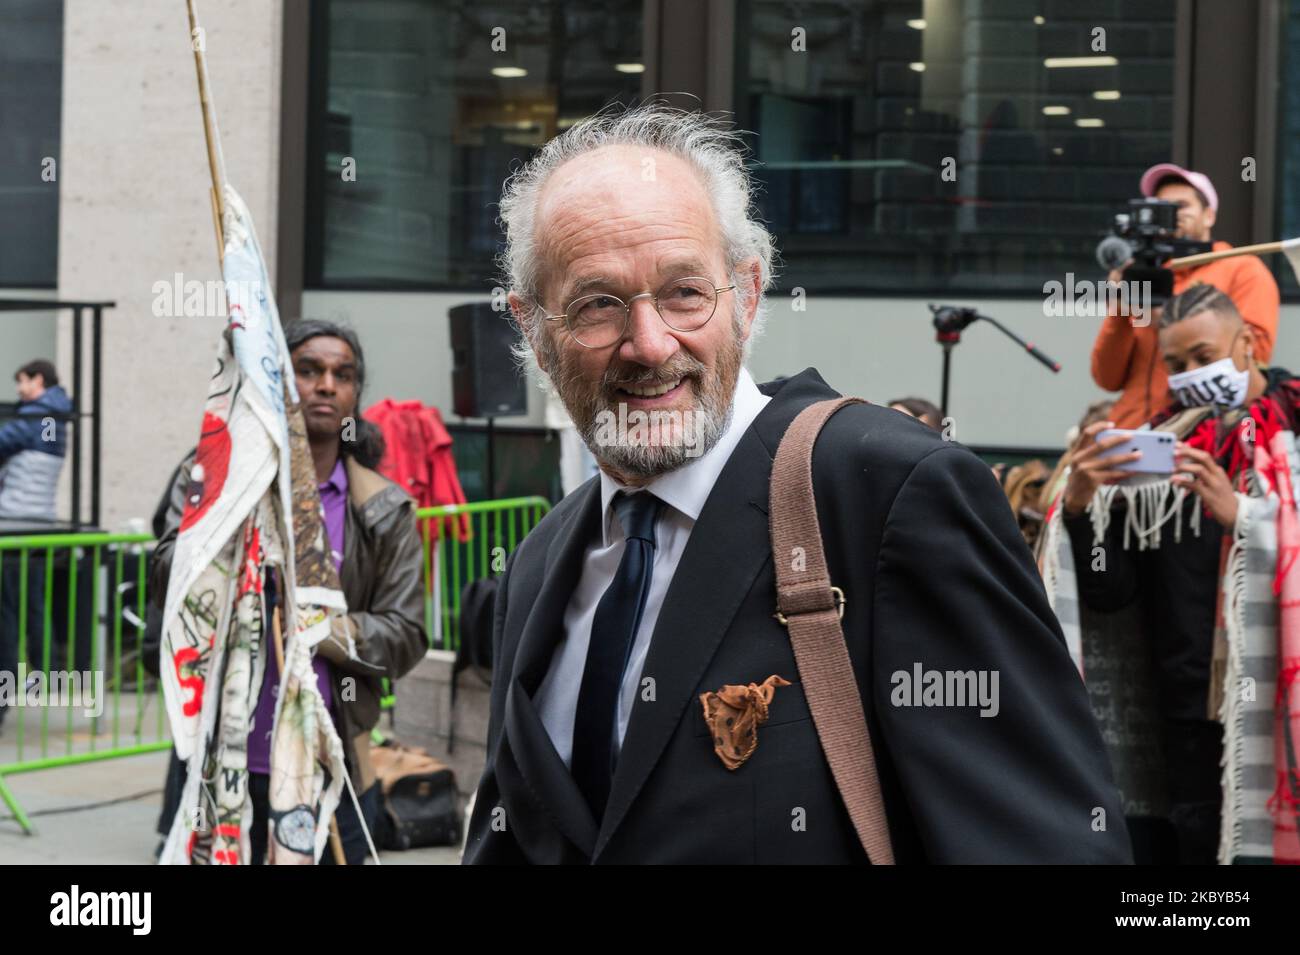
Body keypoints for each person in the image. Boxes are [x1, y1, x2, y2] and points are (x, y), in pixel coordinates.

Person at [462, 103, 1131, 864]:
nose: (649, 345)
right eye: (597, 305)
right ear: (533, 331)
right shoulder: (542, 560)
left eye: (685, 292)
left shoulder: (888, 493)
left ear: (747, 297)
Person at [151, 320, 426, 863]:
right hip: (218, 764)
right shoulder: (213, 476)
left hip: (330, 764)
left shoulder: (383, 509)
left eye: (341, 375)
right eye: (309, 370)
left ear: (354, 396)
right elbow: (163, 575)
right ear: (276, 379)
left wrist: (316, 623)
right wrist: (227, 541)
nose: (326, 385)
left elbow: (406, 634)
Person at [1043, 283, 1300, 865]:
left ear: (1248, 341)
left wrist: (1246, 518)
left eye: (1204, 357)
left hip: (1277, 691)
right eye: (1176, 363)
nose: (1190, 375)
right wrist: (1082, 506)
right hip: (1188, 705)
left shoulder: (1293, 428)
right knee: (1195, 852)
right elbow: (1112, 595)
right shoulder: (1159, 450)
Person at [1091, 163, 1280, 428]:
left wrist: (1167, 321)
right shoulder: (1138, 271)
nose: (1172, 216)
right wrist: (1121, 308)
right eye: (1160, 209)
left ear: (1209, 216)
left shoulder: (1241, 268)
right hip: (1134, 428)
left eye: (1181, 207)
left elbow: (1254, 358)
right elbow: (1107, 378)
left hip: (1203, 431)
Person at [0, 359, 75, 731]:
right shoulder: (55, 418)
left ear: (38, 379)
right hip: (40, 521)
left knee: (9, 610)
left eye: (23, 382)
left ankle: (10, 682)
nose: (19, 390)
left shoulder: (38, 417)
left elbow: (6, 442)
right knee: (34, 603)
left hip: (14, 522)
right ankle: (45, 673)